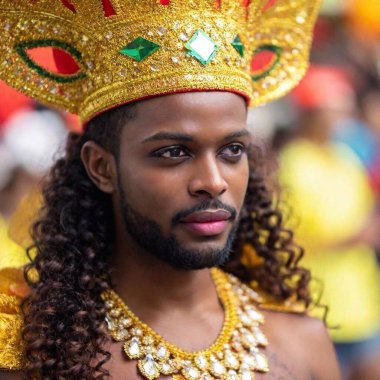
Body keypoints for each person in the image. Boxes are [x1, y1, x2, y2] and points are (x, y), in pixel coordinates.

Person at [0, 0, 340, 379]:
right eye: (173, 152)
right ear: (102, 167)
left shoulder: (303, 342)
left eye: (232, 150)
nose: (213, 182)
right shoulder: (35, 350)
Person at [279, 66, 380, 380]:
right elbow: (287, 240)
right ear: (311, 113)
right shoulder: (292, 165)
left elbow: (367, 211)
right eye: (334, 110)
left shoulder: (346, 155)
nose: (342, 118)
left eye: (344, 110)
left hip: (361, 303)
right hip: (316, 306)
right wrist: (350, 238)